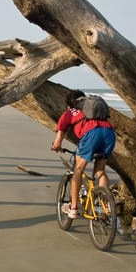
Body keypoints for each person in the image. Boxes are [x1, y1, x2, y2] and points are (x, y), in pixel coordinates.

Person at [51, 90, 115, 218]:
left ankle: (73, 208)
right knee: (100, 171)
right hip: (109, 133)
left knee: (78, 169)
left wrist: (56, 146)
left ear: (69, 105)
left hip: (92, 135)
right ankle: (105, 204)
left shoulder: (70, 112)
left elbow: (59, 138)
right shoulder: (92, 109)